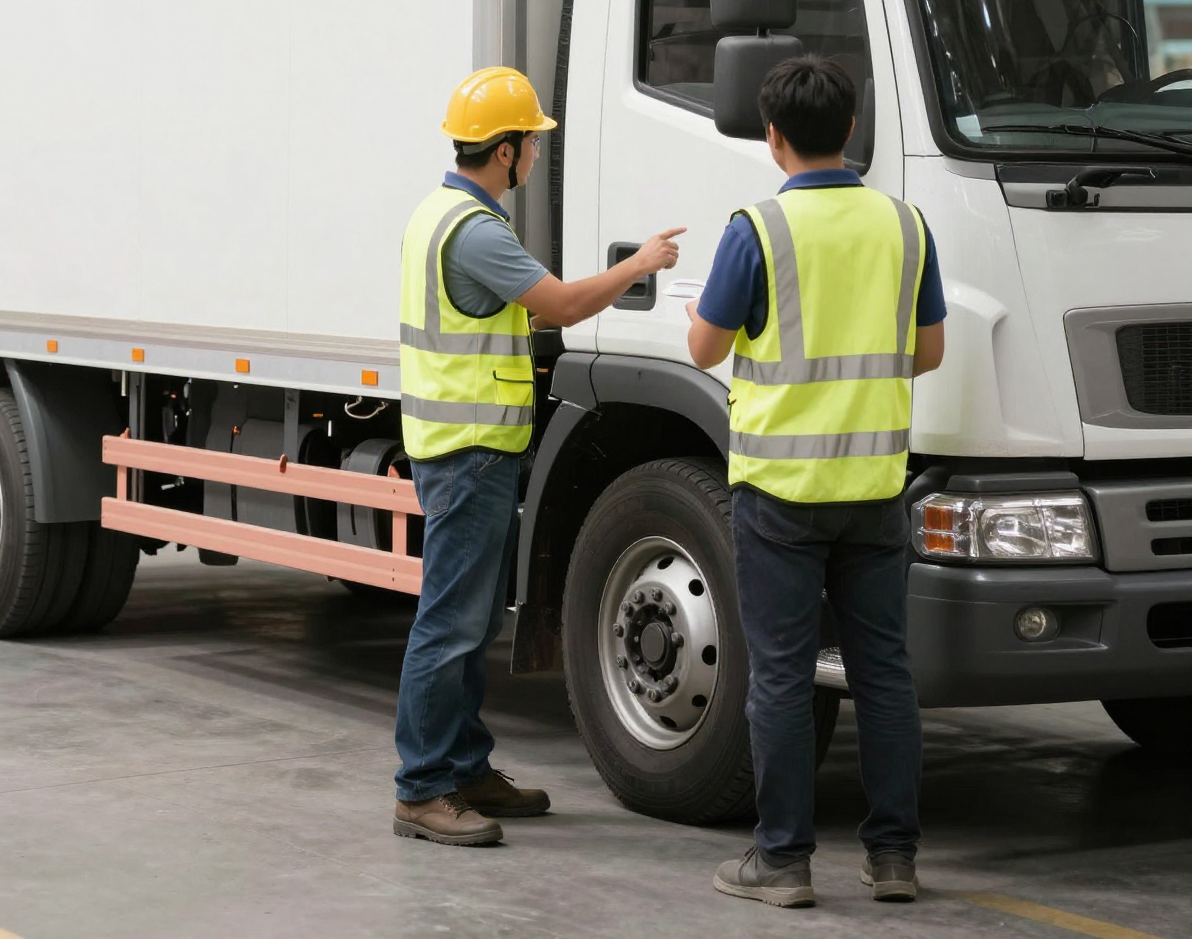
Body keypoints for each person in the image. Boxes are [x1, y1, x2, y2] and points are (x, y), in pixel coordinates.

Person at [393, 65, 683, 847]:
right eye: (531, 142)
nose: (535, 154)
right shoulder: (477, 231)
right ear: (506, 150)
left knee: (471, 619)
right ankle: (422, 789)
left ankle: (464, 768)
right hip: (469, 453)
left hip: (464, 449)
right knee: (450, 625)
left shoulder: (438, 213)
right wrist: (638, 264)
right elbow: (560, 304)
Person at [686, 55, 945, 908]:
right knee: (884, 673)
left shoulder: (757, 230)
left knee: (782, 676)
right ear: (850, 130)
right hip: (875, 488)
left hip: (781, 494)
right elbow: (929, 352)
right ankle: (894, 858)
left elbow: (704, 348)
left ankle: (784, 862)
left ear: (773, 137)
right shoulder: (905, 225)